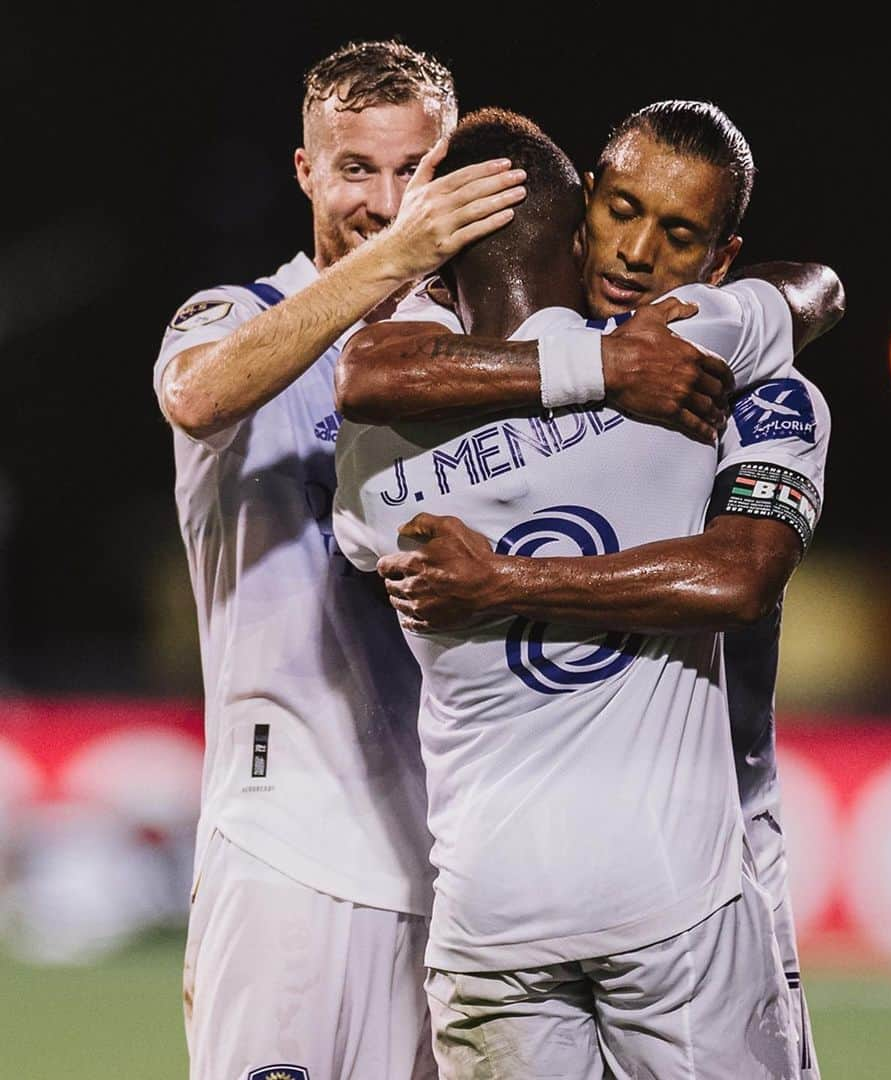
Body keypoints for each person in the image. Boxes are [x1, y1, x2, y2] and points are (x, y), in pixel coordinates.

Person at [337, 99, 841, 1077]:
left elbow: (369, 375)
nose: (639, 251)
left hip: (537, 894)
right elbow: (815, 289)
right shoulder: (700, 359)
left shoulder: (377, 461)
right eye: (618, 212)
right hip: (680, 887)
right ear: (578, 223)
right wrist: (596, 367)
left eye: (679, 232)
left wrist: (497, 577)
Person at [153, 39, 538, 1080]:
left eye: (415, 169)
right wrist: (400, 260)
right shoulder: (239, 315)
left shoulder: (483, 358)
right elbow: (198, 394)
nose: (387, 198)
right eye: (356, 168)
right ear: (306, 172)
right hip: (291, 857)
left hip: (459, 871)